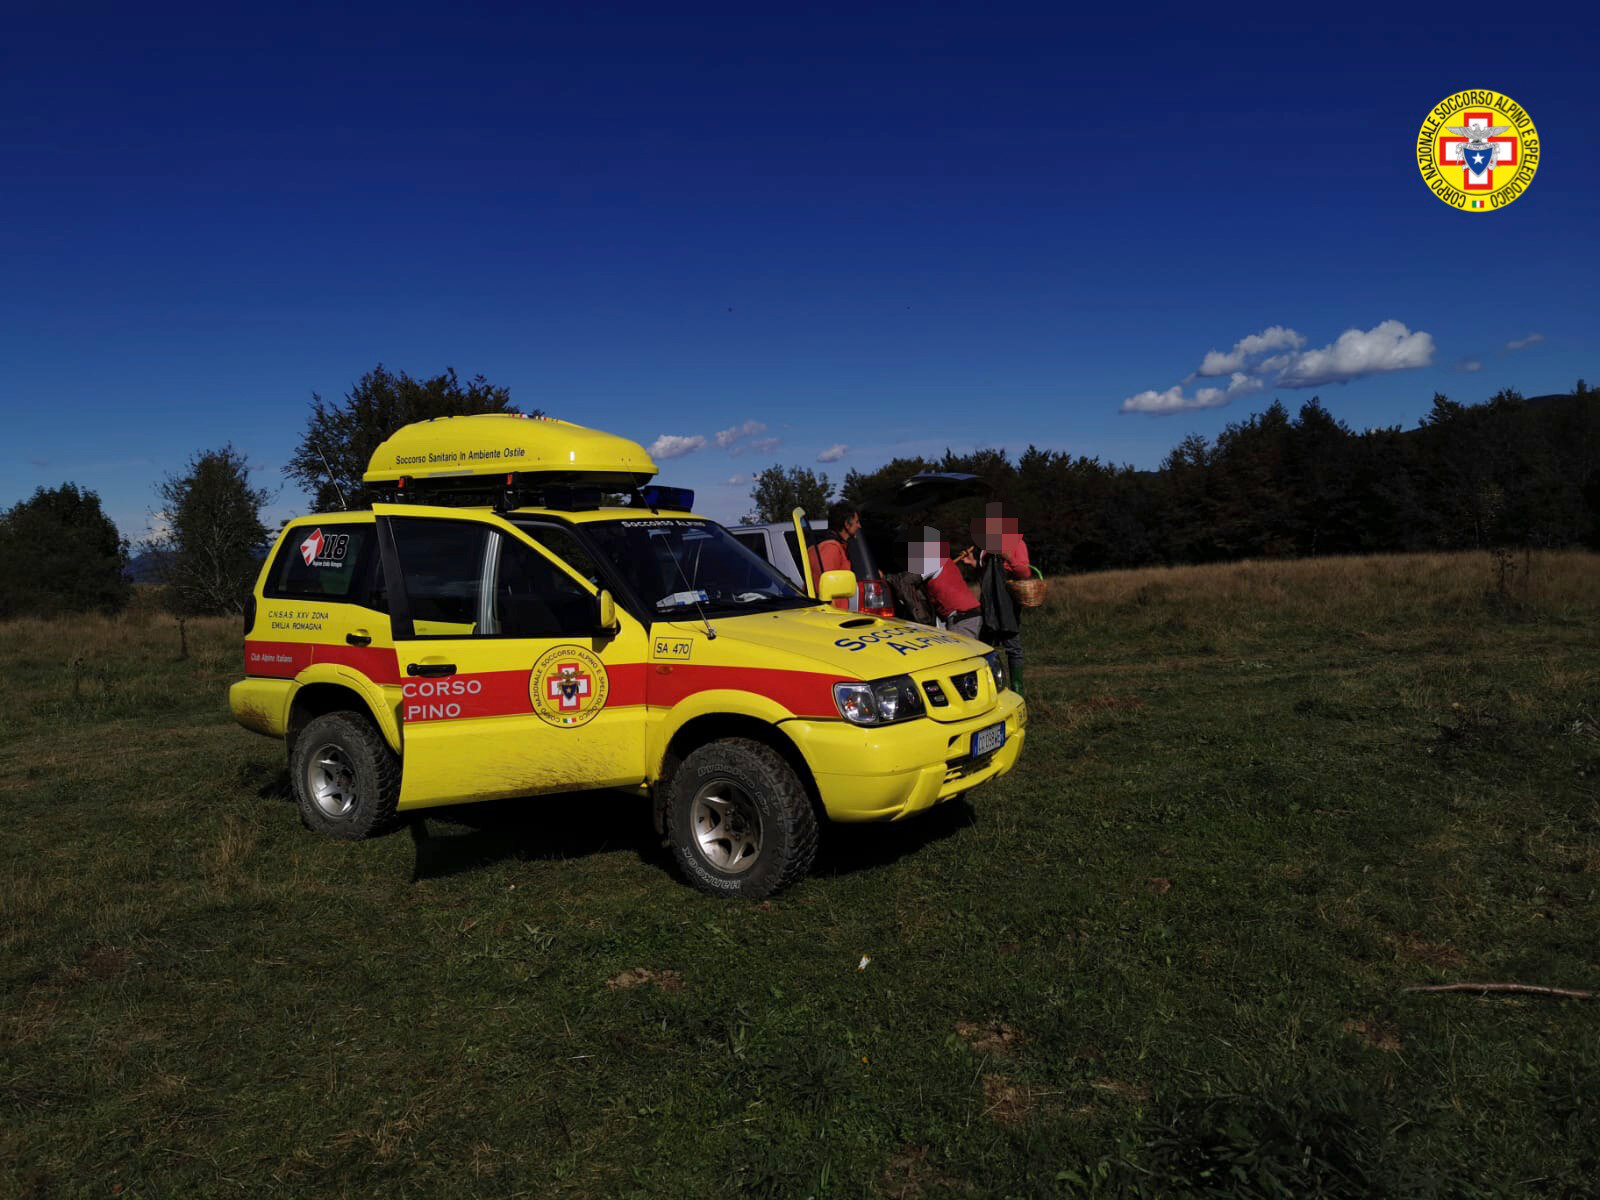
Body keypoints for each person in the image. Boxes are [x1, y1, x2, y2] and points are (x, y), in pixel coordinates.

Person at [963, 502, 1029, 692]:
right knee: (983, 646)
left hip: (1006, 603)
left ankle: (1017, 687)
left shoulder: (1017, 543)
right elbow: (986, 574)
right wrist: (974, 563)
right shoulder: (985, 549)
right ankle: (989, 686)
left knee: (1012, 645)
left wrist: (1009, 556)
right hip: (988, 603)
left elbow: (1024, 572)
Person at [911, 527, 982, 637]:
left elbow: (910, 579)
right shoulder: (944, 560)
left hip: (961, 618)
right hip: (963, 617)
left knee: (959, 653)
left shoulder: (933, 561)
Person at [807, 502, 860, 609]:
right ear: (846, 524)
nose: (859, 526)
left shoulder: (832, 545)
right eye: (857, 522)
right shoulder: (831, 548)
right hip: (832, 615)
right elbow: (824, 587)